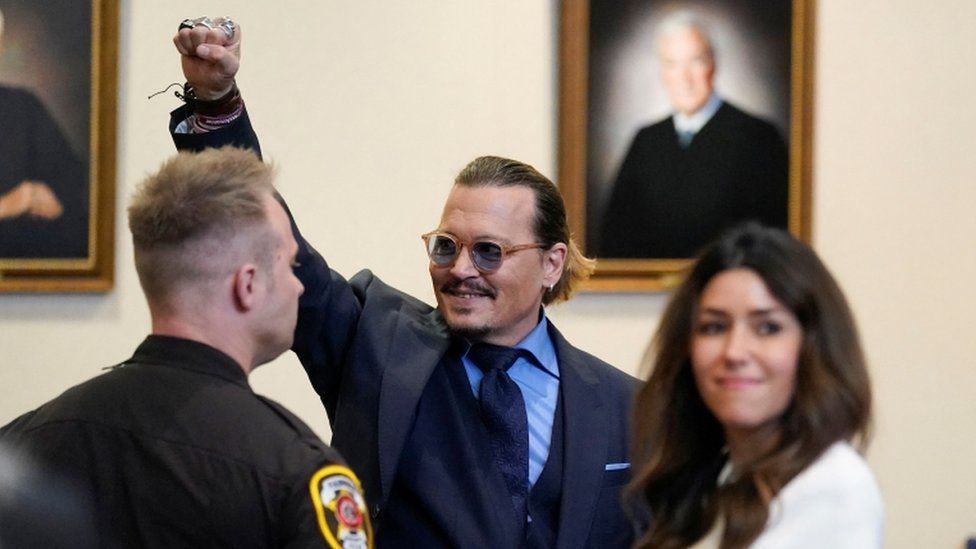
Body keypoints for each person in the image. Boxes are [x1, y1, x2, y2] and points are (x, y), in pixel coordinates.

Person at [168, 18, 637, 548]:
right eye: (446, 246)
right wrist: (216, 104)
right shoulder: (375, 345)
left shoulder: (631, 408)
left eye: (489, 252)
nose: (460, 270)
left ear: (551, 263)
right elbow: (274, 243)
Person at [0, 147, 373, 548]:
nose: (299, 286)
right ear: (247, 285)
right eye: (290, 266)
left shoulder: (23, 448)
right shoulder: (297, 471)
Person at [627, 222, 883, 548]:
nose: (734, 352)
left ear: (814, 346)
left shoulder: (834, 485)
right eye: (714, 327)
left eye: (767, 328)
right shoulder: (715, 477)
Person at [599, 13, 789, 259]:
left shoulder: (758, 137)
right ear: (661, 72)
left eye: (696, 61)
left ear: (713, 65)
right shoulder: (646, 141)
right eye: (672, 64)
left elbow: (773, 236)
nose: (684, 78)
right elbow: (615, 236)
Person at [0, 7, 88, 258]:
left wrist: (47, 196)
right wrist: (9, 204)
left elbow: (71, 185)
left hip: (30, 273)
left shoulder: (23, 107)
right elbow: (20, 200)